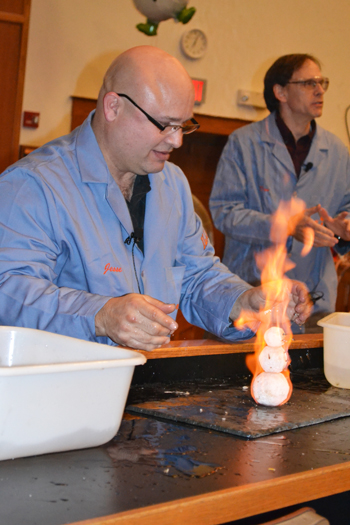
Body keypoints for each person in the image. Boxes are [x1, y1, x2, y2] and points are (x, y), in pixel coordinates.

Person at [0, 46, 311, 350]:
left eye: (184, 125)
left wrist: (242, 301)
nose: (176, 140)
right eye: (164, 124)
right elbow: (9, 293)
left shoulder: (172, 184)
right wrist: (100, 315)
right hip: (57, 387)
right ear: (113, 107)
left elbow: (197, 274)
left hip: (145, 385)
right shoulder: (33, 185)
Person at [209, 53, 350, 331]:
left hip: (314, 303)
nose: (320, 90)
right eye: (309, 83)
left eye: (322, 82)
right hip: (254, 296)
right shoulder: (243, 143)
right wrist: (285, 225)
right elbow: (224, 212)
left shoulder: (337, 151)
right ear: (280, 92)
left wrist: (343, 228)